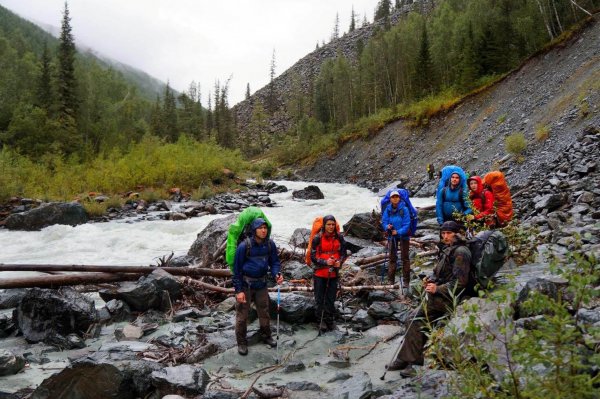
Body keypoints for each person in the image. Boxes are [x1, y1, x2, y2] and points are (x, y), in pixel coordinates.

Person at [386, 221, 472, 377]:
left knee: (415, 319)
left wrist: (437, 288)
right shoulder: (448, 249)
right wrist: (430, 280)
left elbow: (460, 282)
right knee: (412, 317)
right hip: (441, 294)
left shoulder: (461, 252)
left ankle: (413, 363)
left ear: (456, 234)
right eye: (443, 233)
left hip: (451, 298)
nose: (445, 236)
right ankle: (406, 359)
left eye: (449, 233)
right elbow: (440, 273)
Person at [232, 218, 284, 356]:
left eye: (265, 228)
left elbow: (274, 263)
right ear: (254, 230)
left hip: (262, 284)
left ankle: (266, 335)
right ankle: (242, 342)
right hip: (246, 285)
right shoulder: (244, 246)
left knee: (264, 311)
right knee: (242, 315)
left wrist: (276, 274)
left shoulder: (270, 245)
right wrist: (238, 291)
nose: (263, 230)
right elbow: (236, 271)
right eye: (260, 228)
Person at [310, 215, 347, 332]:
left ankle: (329, 320)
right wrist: (325, 262)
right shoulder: (317, 238)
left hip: (334, 273)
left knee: (331, 298)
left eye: (332, 224)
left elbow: (343, 253)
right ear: (324, 225)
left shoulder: (339, 238)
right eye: (328, 224)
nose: (331, 227)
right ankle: (320, 321)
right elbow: (313, 257)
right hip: (320, 273)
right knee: (319, 298)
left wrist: (339, 262)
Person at [381, 191, 411, 287]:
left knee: (405, 258)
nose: (395, 198)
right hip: (392, 236)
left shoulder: (404, 209)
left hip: (404, 236)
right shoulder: (388, 210)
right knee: (392, 258)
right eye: (393, 197)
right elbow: (384, 221)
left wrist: (398, 232)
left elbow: (407, 224)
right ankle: (391, 281)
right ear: (390, 199)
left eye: (396, 197)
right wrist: (387, 227)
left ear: (399, 198)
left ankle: (406, 281)